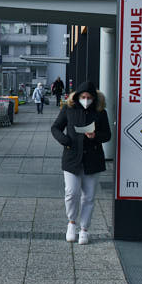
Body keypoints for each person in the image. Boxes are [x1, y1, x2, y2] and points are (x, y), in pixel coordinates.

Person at [50, 81, 111, 245]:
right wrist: (65, 140)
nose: (86, 100)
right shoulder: (69, 110)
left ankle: (84, 229)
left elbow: (107, 135)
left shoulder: (100, 112)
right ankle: (71, 223)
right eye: (83, 97)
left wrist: (95, 135)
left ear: (94, 98)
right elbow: (55, 127)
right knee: (71, 192)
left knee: (89, 197)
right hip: (72, 157)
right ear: (77, 97)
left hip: (93, 159)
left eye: (89, 97)